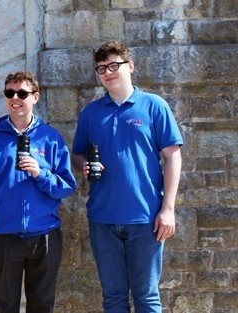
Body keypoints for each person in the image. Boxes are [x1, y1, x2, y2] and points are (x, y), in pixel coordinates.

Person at [71, 40, 183, 313]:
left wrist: (168, 209)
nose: (108, 72)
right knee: (113, 298)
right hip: (103, 219)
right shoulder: (91, 113)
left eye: (113, 65)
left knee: (146, 296)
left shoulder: (154, 106)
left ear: (130, 66)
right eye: (101, 69)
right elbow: (77, 155)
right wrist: (83, 165)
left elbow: (172, 157)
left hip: (146, 219)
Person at [0, 71, 77, 313]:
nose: (15, 98)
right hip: (3, 237)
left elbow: (66, 186)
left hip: (45, 235)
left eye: (22, 93)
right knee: (4, 307)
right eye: (9, 93)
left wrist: (40, 173)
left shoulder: (50, 138)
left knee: (42, 306)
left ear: (35, 97)